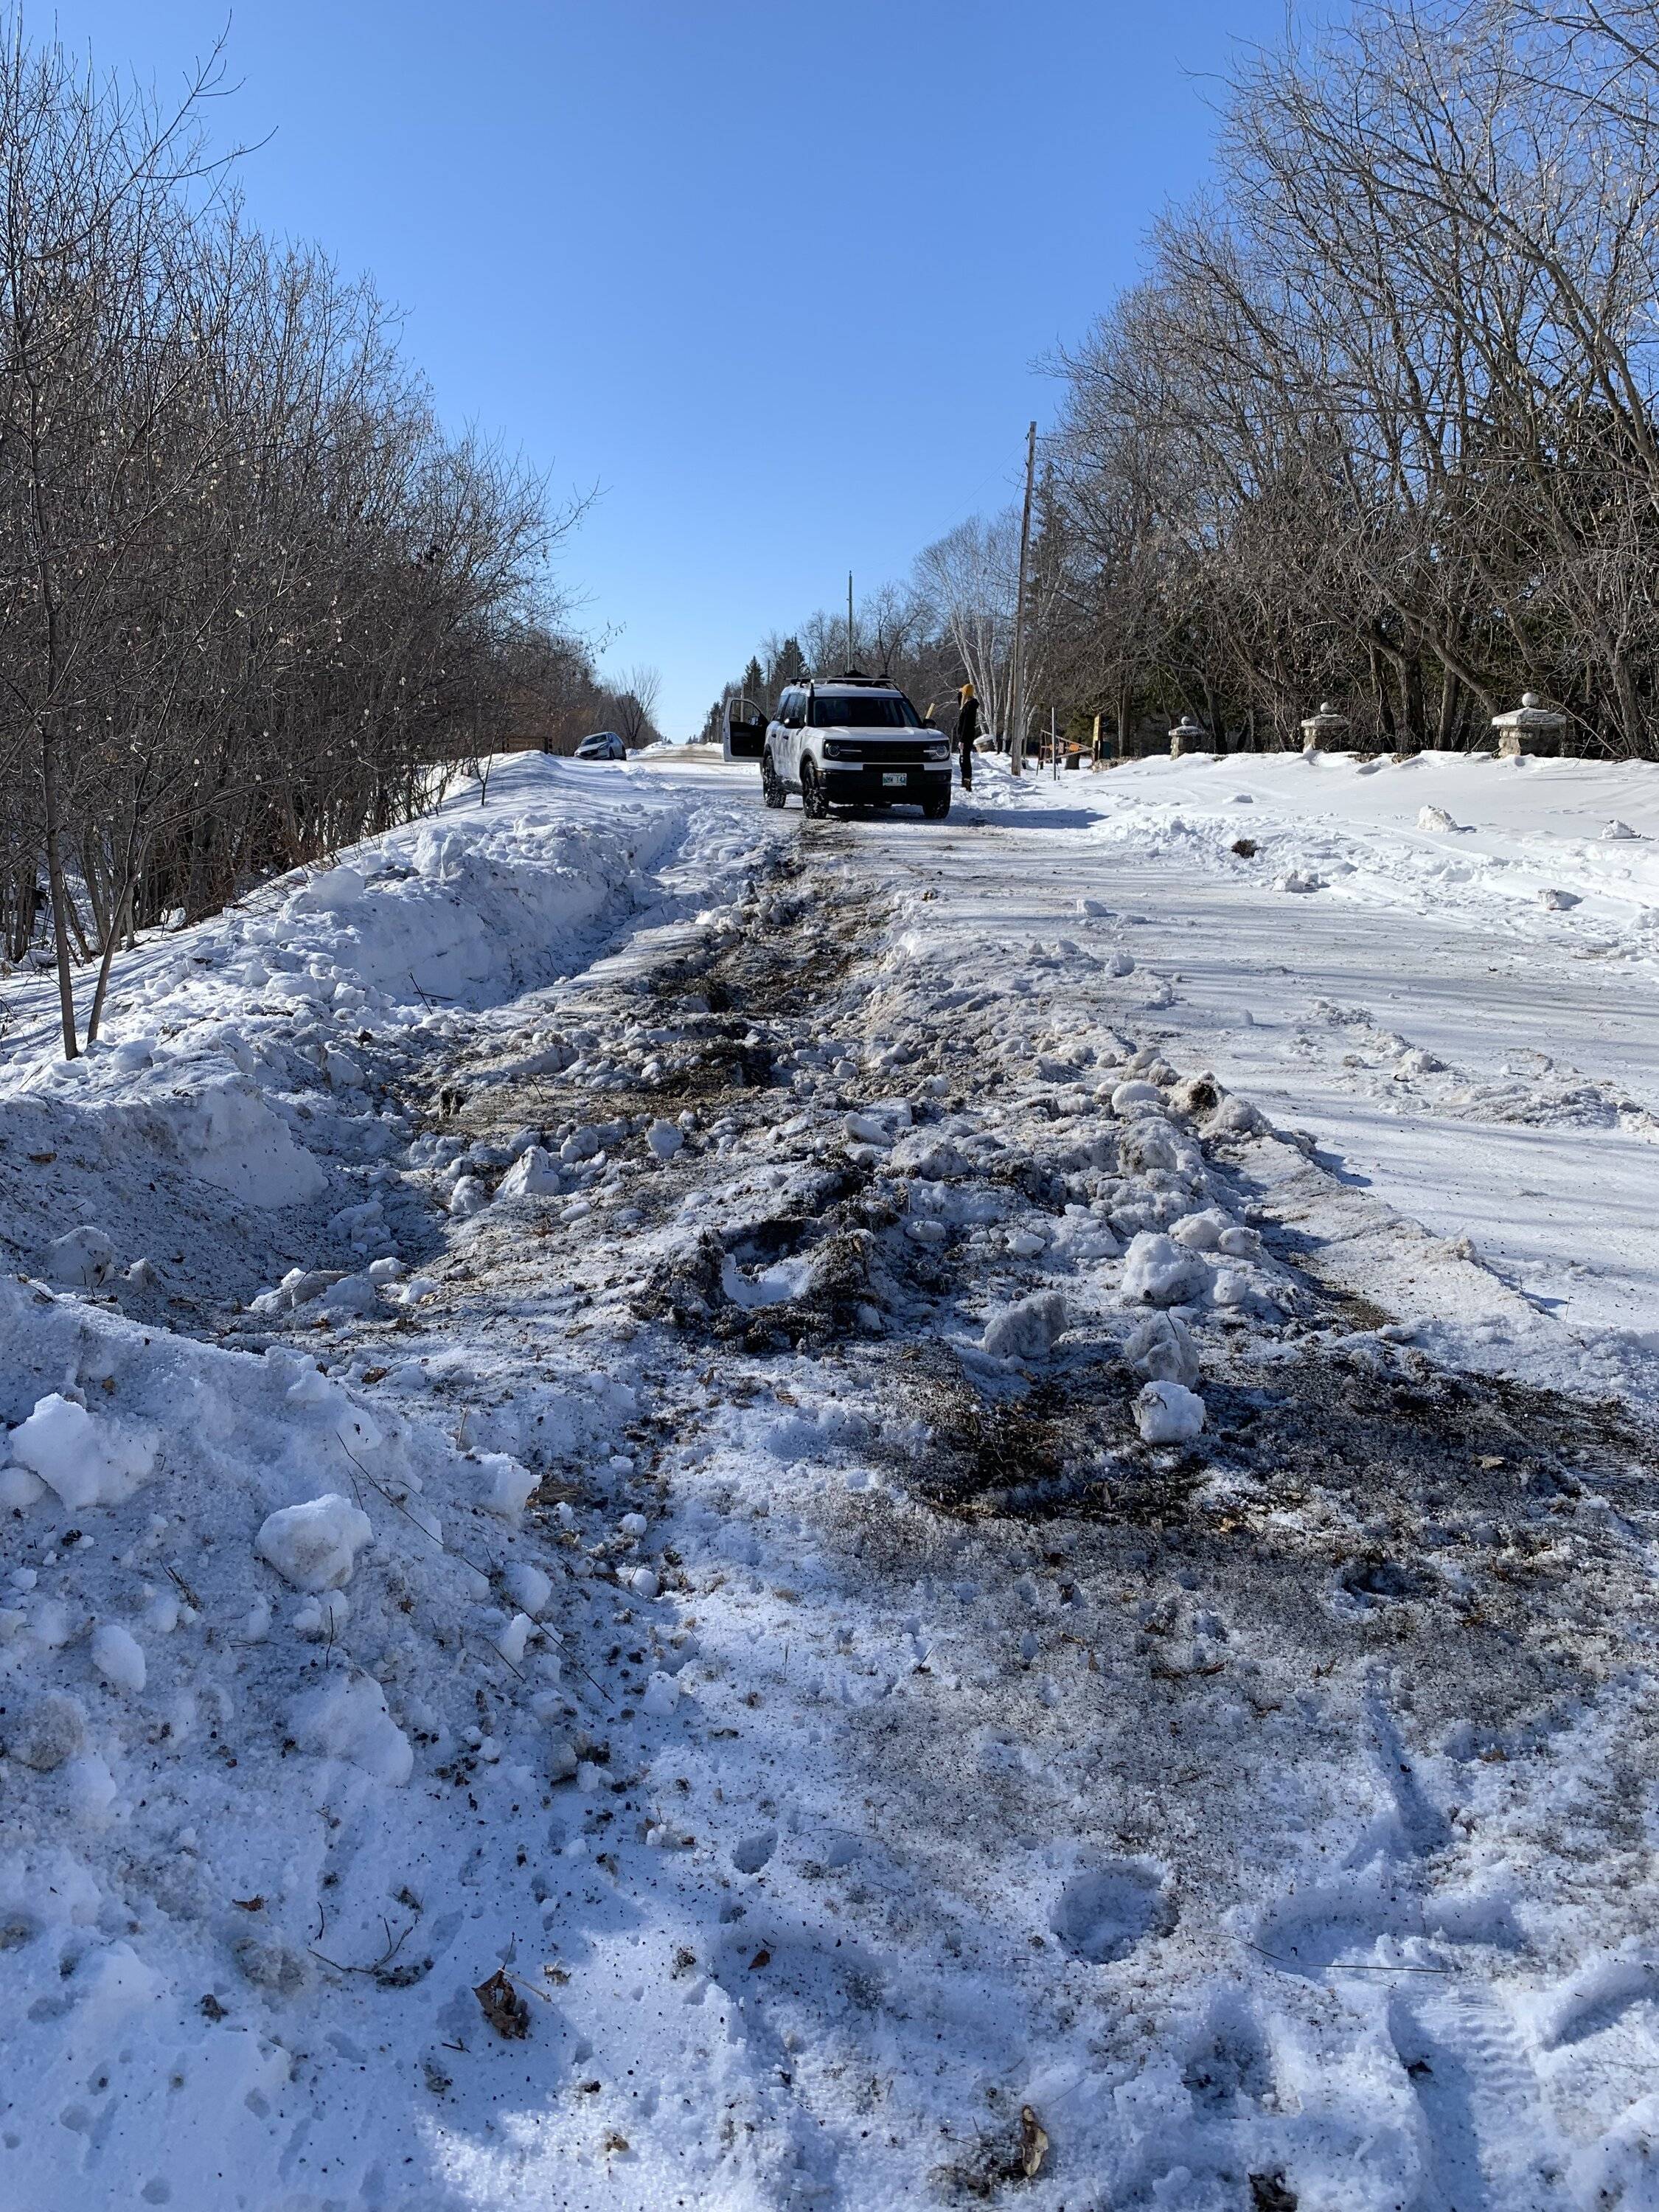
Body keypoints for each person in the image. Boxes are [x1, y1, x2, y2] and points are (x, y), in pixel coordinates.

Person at [954, 682, 980, 790]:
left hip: (966, 739)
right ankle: (965, 781)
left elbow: (966, 725)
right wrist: (960, 692)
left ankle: (966, 783)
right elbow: (961, 702)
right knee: (963, 759)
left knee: (965, 760)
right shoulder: (967, 705)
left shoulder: (970, 707)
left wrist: (962, 740)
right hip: (965, 738)